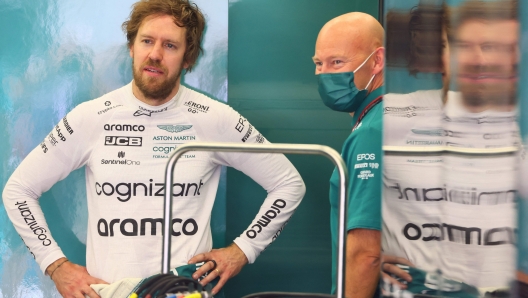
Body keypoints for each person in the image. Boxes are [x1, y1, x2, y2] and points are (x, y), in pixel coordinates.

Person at [2, 0, 306, 297]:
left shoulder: (216, 118)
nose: (156, 54)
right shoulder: (90, 118)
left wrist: (243, 250)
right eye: (147, 41)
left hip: (185, 291)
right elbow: (18, 190)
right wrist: (56, 265)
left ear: (188, 58)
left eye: (170, 46)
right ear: (132, 47)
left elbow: (288, 184)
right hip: (109, 292)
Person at [312, 12, 385, 298]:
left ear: (377, 61)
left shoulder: (373, 132)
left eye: (337, 62)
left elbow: (367, 254)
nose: (324, 74)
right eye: (319, 63)